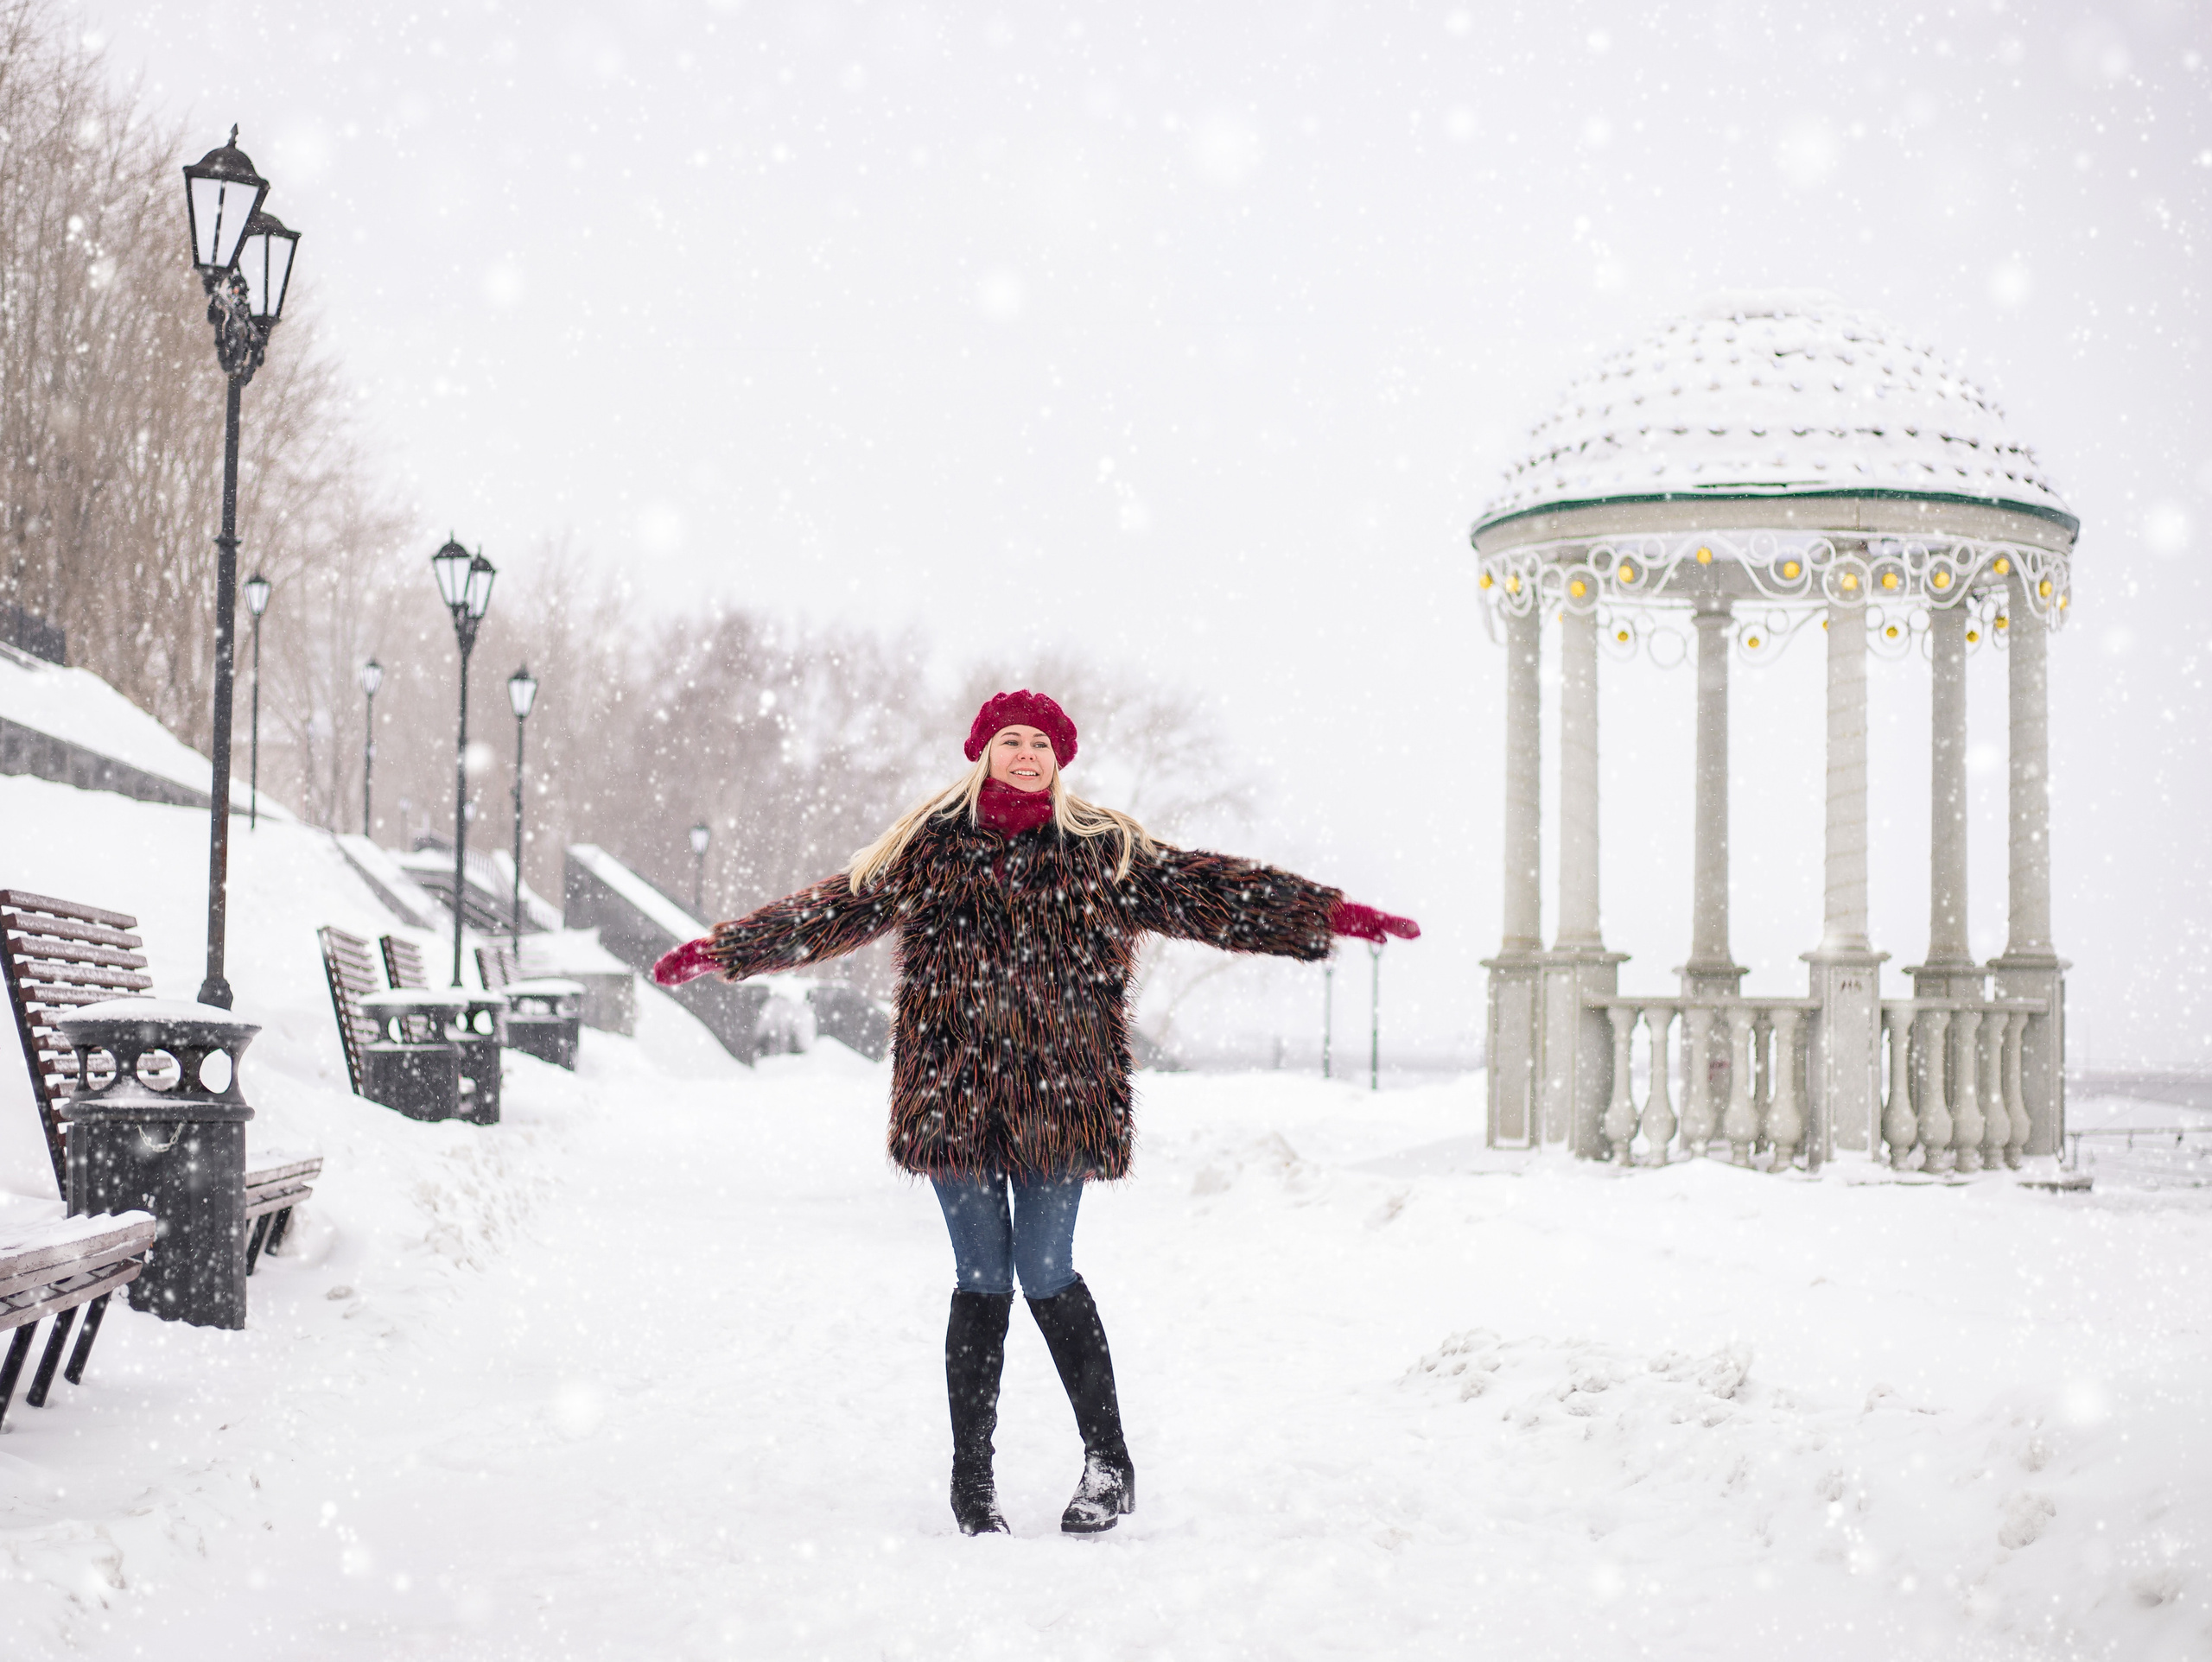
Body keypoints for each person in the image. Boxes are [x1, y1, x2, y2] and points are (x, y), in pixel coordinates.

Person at [653, 689, 1419, 1537]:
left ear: (1059, 759)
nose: (1026, 755)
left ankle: (1106, 1459)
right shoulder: (929, 849)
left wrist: (1323, 914)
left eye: (1040, 744)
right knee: (980, 1277)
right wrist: (725, 950)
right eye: (1012, 741)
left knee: (1045, 1269)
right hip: (953, 1095)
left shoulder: (1102, 851)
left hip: (1061, 1096)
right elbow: (836, 908)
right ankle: (970, 1481)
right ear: (984, 752)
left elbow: (1211, 891)